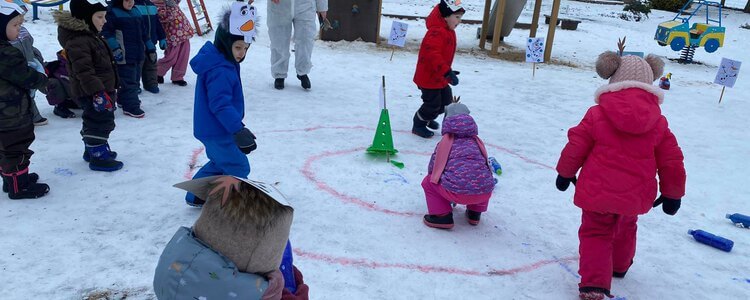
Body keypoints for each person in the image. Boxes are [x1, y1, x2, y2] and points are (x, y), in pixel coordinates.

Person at [555, 51, 686, 300]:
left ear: (612, 78)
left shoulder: (596, 114)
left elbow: (576, 145)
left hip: (597, 192)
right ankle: (619, 266)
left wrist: (565, 173)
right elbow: (672, 160)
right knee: (626, 226)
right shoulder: (658, 122)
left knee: (596, 232)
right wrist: (672, 193)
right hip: (635, 195)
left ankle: (594, 284)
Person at [184, 7, 257, 207]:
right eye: (238, 48)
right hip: (219, 129)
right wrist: (238, 129)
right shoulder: (221, 69)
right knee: (238, 166)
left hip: (210, 128)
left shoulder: (219, 59)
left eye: (246, 48)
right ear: (226, 42)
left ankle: (195, 195)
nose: (242, 53)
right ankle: (229, 205)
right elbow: (220, 104)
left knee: (219, 163)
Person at [54, 0, 124, 171]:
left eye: (105, 16)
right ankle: (98, 156)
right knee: (100, 122)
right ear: (85, 18)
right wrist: (98, 92)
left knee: (94, 119)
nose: (104, 21)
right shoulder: (79, 41)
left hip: (99, 89)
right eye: (100, 17)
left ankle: (92, 149)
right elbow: (84, 71)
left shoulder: (89, 36)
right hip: (93, 92)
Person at [0, 0, 50, 199]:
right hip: (10, 112)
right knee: (17, 147)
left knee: (6, 148)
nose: (19, 29)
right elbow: (25, 77)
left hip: (6, 110)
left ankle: (11, 180)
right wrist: (42, 78)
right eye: (15, 25)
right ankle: (18, 187)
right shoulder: (5, 53)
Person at [421, 102, 494, 229]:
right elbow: (486, 165)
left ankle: (441, 216)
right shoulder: (476, 142)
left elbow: (433, 169)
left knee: (428, 182)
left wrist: (442, 183)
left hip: (457, 193)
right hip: (484, 192)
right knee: (480, 176)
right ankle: (475, 213)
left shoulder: (445, 143)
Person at [412, 0, 464, 139]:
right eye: (457, 17)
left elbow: (443, 56)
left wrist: (448, 72)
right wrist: (447, 71)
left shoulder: (448, 31)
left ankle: (427, 118)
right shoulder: (436, 32)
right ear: (446, 16)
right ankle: (418, 124)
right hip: (428, 77)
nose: (459, 21)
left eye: (460, 18)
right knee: (433, 104)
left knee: (446, 102)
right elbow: (433, 55)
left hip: (439, 76)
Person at [102, 0, 154, 118]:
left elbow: (144, 32)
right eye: (126, 0)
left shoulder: (136, 11)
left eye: (132, 0)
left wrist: (150, 47)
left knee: (135, 78)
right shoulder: (112, 13)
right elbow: (107, 33)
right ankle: (131, 106)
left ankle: (123, 99)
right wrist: (115, 48)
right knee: (128, 80)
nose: (130, 2)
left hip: (138, 52)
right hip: (123, 53)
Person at [267, 0, 327, 90]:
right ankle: (279, 74)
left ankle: (303, 72)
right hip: (279, 5)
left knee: (305, 39)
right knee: (279, 39)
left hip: (306, 5)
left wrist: (322, 7)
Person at [7, 0, 48, 126]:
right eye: (18, 18)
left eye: (22, 17)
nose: (21, 21)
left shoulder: (23, 31)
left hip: (30, 64)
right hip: (16, 69)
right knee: (21, 94)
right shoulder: (7, 35)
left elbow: (31, 46)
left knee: (31, 92)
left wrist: (37, 56)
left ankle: (34, 116)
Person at [152, 0, 193, 86]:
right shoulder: (156, 2)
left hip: (184, 31)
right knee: (171, 57)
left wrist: (173, 3)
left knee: (183, 56)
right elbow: (163, 17)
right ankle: (157, 72)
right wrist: (171, 6)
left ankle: (178, 77)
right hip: (172, 35)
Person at [134, 0, 166, 94]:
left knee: (151, 63)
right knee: (137, 66)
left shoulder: (151, 5)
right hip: (137, 43)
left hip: (151, 42)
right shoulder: (132, 5)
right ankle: (134, 86)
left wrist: (162, 37)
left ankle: (151, 84)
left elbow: (157, 24)